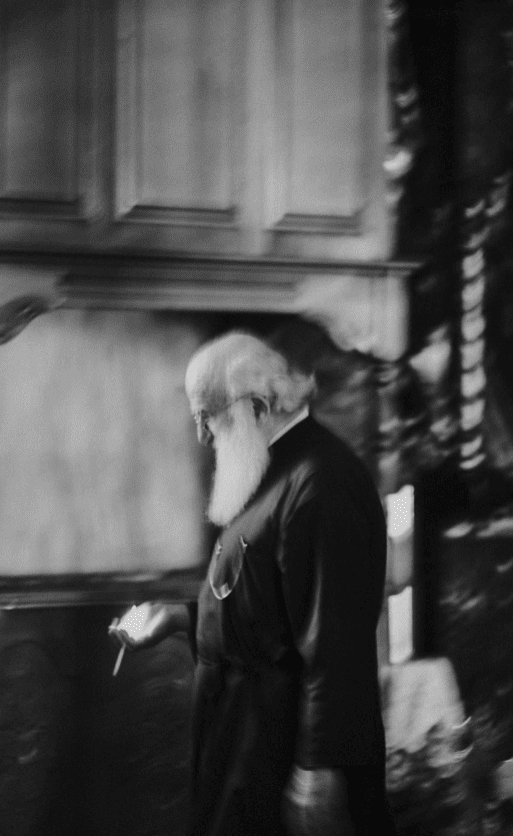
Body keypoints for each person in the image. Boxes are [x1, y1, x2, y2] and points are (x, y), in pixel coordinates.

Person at [109, 331, 395, 836]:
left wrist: (316, 771)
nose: (201, 436)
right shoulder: (269, 467)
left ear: (259, 406)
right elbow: (263, 610)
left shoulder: (321, 483)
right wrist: (180, 618)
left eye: (208, 417)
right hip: (242, 733)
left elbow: (335, 644)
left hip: (282, 748)